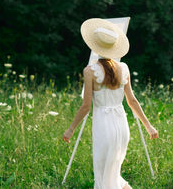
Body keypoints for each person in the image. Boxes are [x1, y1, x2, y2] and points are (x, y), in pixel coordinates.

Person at [62, 18, 158, 189]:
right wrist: (149, 126)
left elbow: (86, 106)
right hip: (122, 128)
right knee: (114, 175)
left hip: (103, 127)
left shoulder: (90, 71)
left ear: (94, 45)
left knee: (103, 177)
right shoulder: (124, 68)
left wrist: (71, 129)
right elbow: (132, 101)